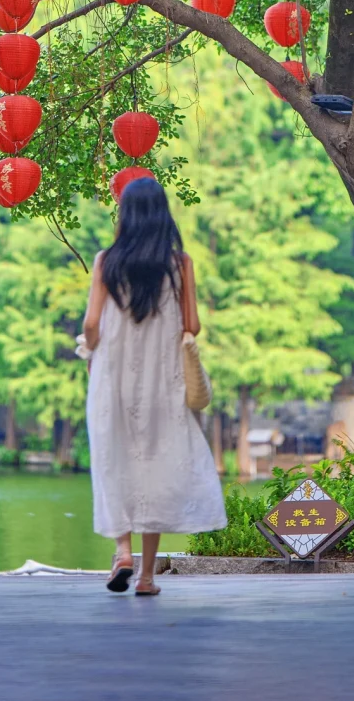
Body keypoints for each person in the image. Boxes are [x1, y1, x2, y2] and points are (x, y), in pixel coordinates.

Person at [82, 176, 226, 597]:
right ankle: (145, 577)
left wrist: (90, 351)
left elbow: (91, 324)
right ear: (163, 215)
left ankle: (122, 552)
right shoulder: (180, 264)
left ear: (125, 215)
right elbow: (193, 326)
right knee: (156, 466)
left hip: (113, 378)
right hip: (164, 383)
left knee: (116, 462)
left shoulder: (106, 261)